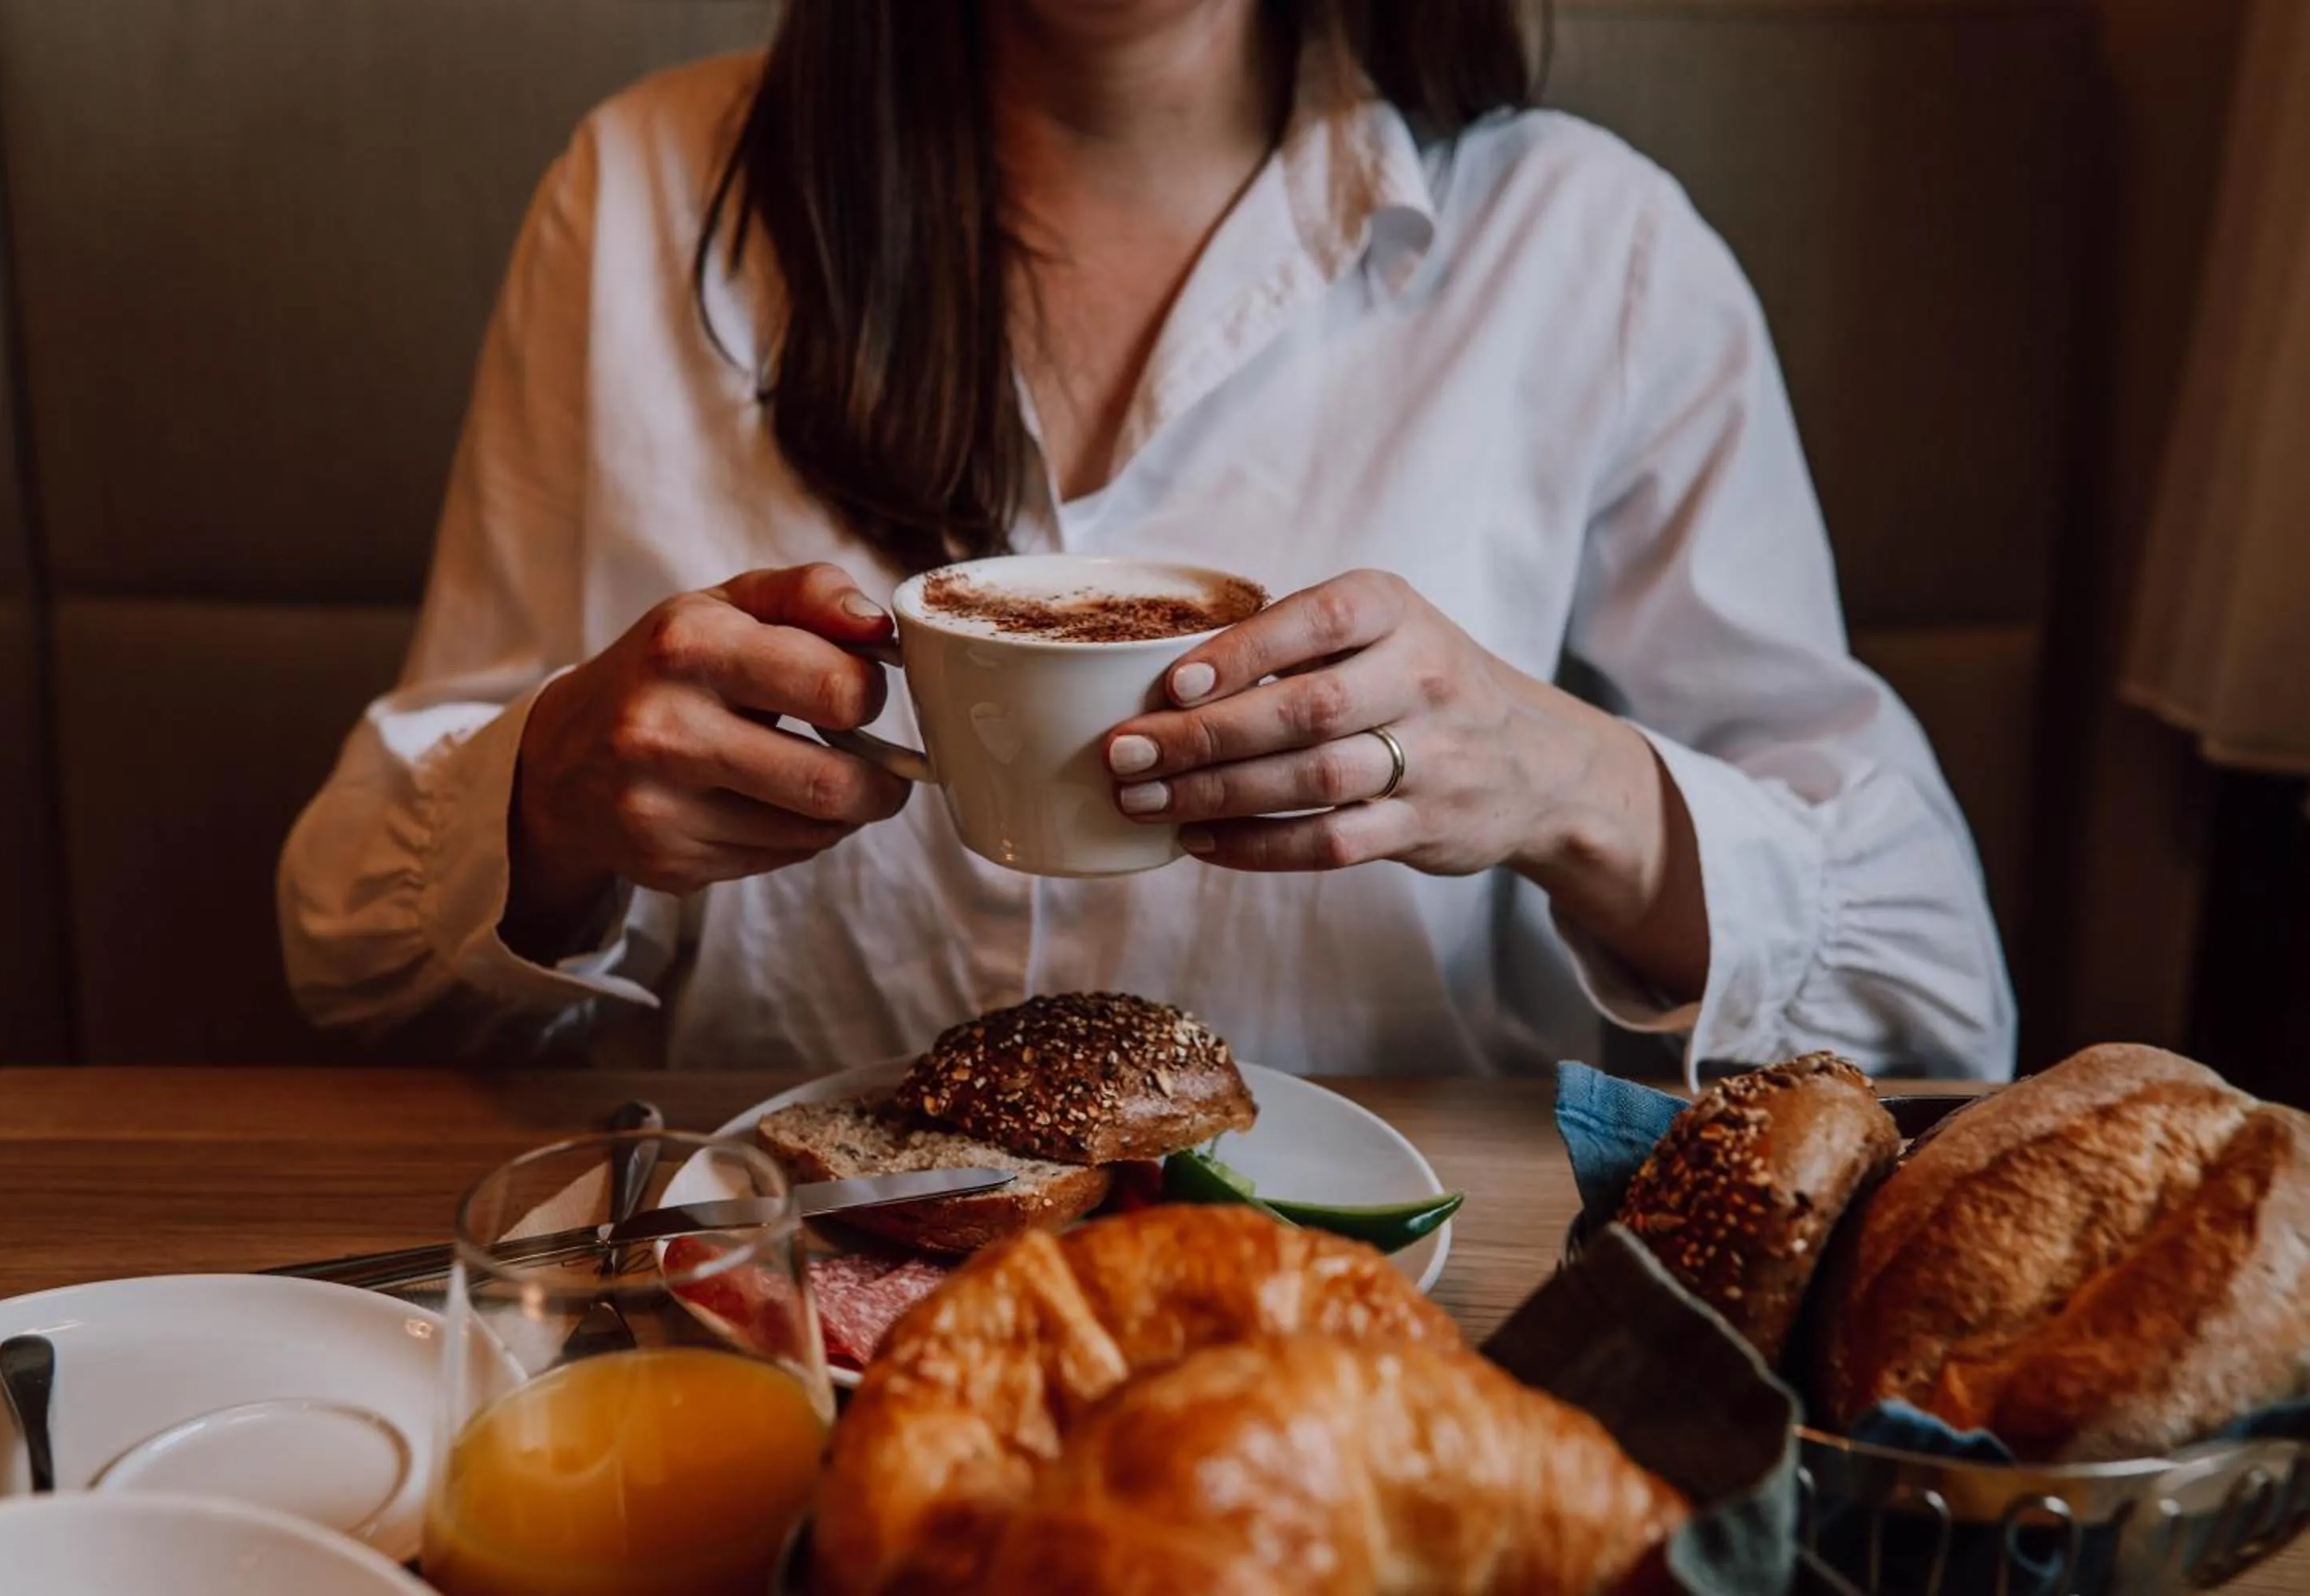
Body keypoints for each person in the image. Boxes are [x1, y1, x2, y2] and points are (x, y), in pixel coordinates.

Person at [279, 0, 2015, 1080]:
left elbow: (1938, 1004)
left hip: (1369, 1343)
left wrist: (1575, 786)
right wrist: (550, 806)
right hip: (774, 1305)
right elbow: (348, 962)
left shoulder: (1590, 248)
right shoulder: (642, 197)